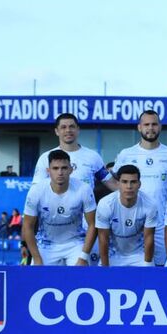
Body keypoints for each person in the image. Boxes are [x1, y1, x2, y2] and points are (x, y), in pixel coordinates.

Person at [32, 113, 115, 265]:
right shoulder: (46, 158)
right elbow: (35, 196)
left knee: (85, 278)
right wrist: (27, 240)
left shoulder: (92, 157)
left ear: (78, 129)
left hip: (85, 232)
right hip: (52, 234)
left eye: (72, 126)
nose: (68, 130)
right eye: (63, 127)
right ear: (57, 131)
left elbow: (113, 186)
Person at [113, 110, 167, 266]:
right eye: (146, 124)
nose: (150, 128)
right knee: (131, 266)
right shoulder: (126, 154)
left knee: (158, 267)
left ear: (160, 127)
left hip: (161, 223)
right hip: (130, 221)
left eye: (154, 124)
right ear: (139, 127)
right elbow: (115, 183)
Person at [22, 150, 97, 266]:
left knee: (82, 277)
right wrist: (36, 258)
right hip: (46, 245)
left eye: (64, 168)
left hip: (75, 243)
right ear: (48, 171)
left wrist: (83, 257)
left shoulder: (84, 189)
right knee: (37, 278)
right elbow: (27, 226)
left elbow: (92, 224)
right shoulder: (36, 191)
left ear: (71, 170)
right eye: (55, 168)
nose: (60, 172)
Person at [96, 165, 159, 266]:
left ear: (139, 184)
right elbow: (103, 238)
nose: (129, 186)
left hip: (139, 255)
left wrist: (147, 264)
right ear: (118, 184)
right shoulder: (105, 204)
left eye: (133, 182)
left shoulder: (150, 204)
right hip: (113, 254)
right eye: (124, 182)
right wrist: (105, 268)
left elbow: (149, 237)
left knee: (149, 277)